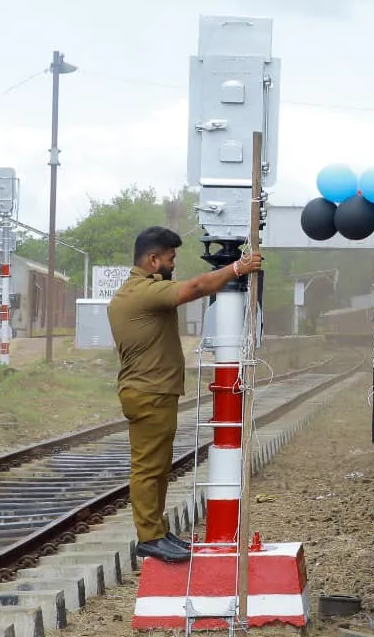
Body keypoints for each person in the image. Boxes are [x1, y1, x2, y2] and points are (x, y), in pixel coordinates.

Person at [108, 227, 263, 562]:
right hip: (149, 393)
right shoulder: (143, 291)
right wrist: (237, 268)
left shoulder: (139, 290)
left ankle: (158, 532)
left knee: (158, 466)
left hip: (153, 392)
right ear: (153, 260)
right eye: (170, 258)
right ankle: (149, 537)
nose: (173, 264)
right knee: (149, 468)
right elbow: (194, 288)